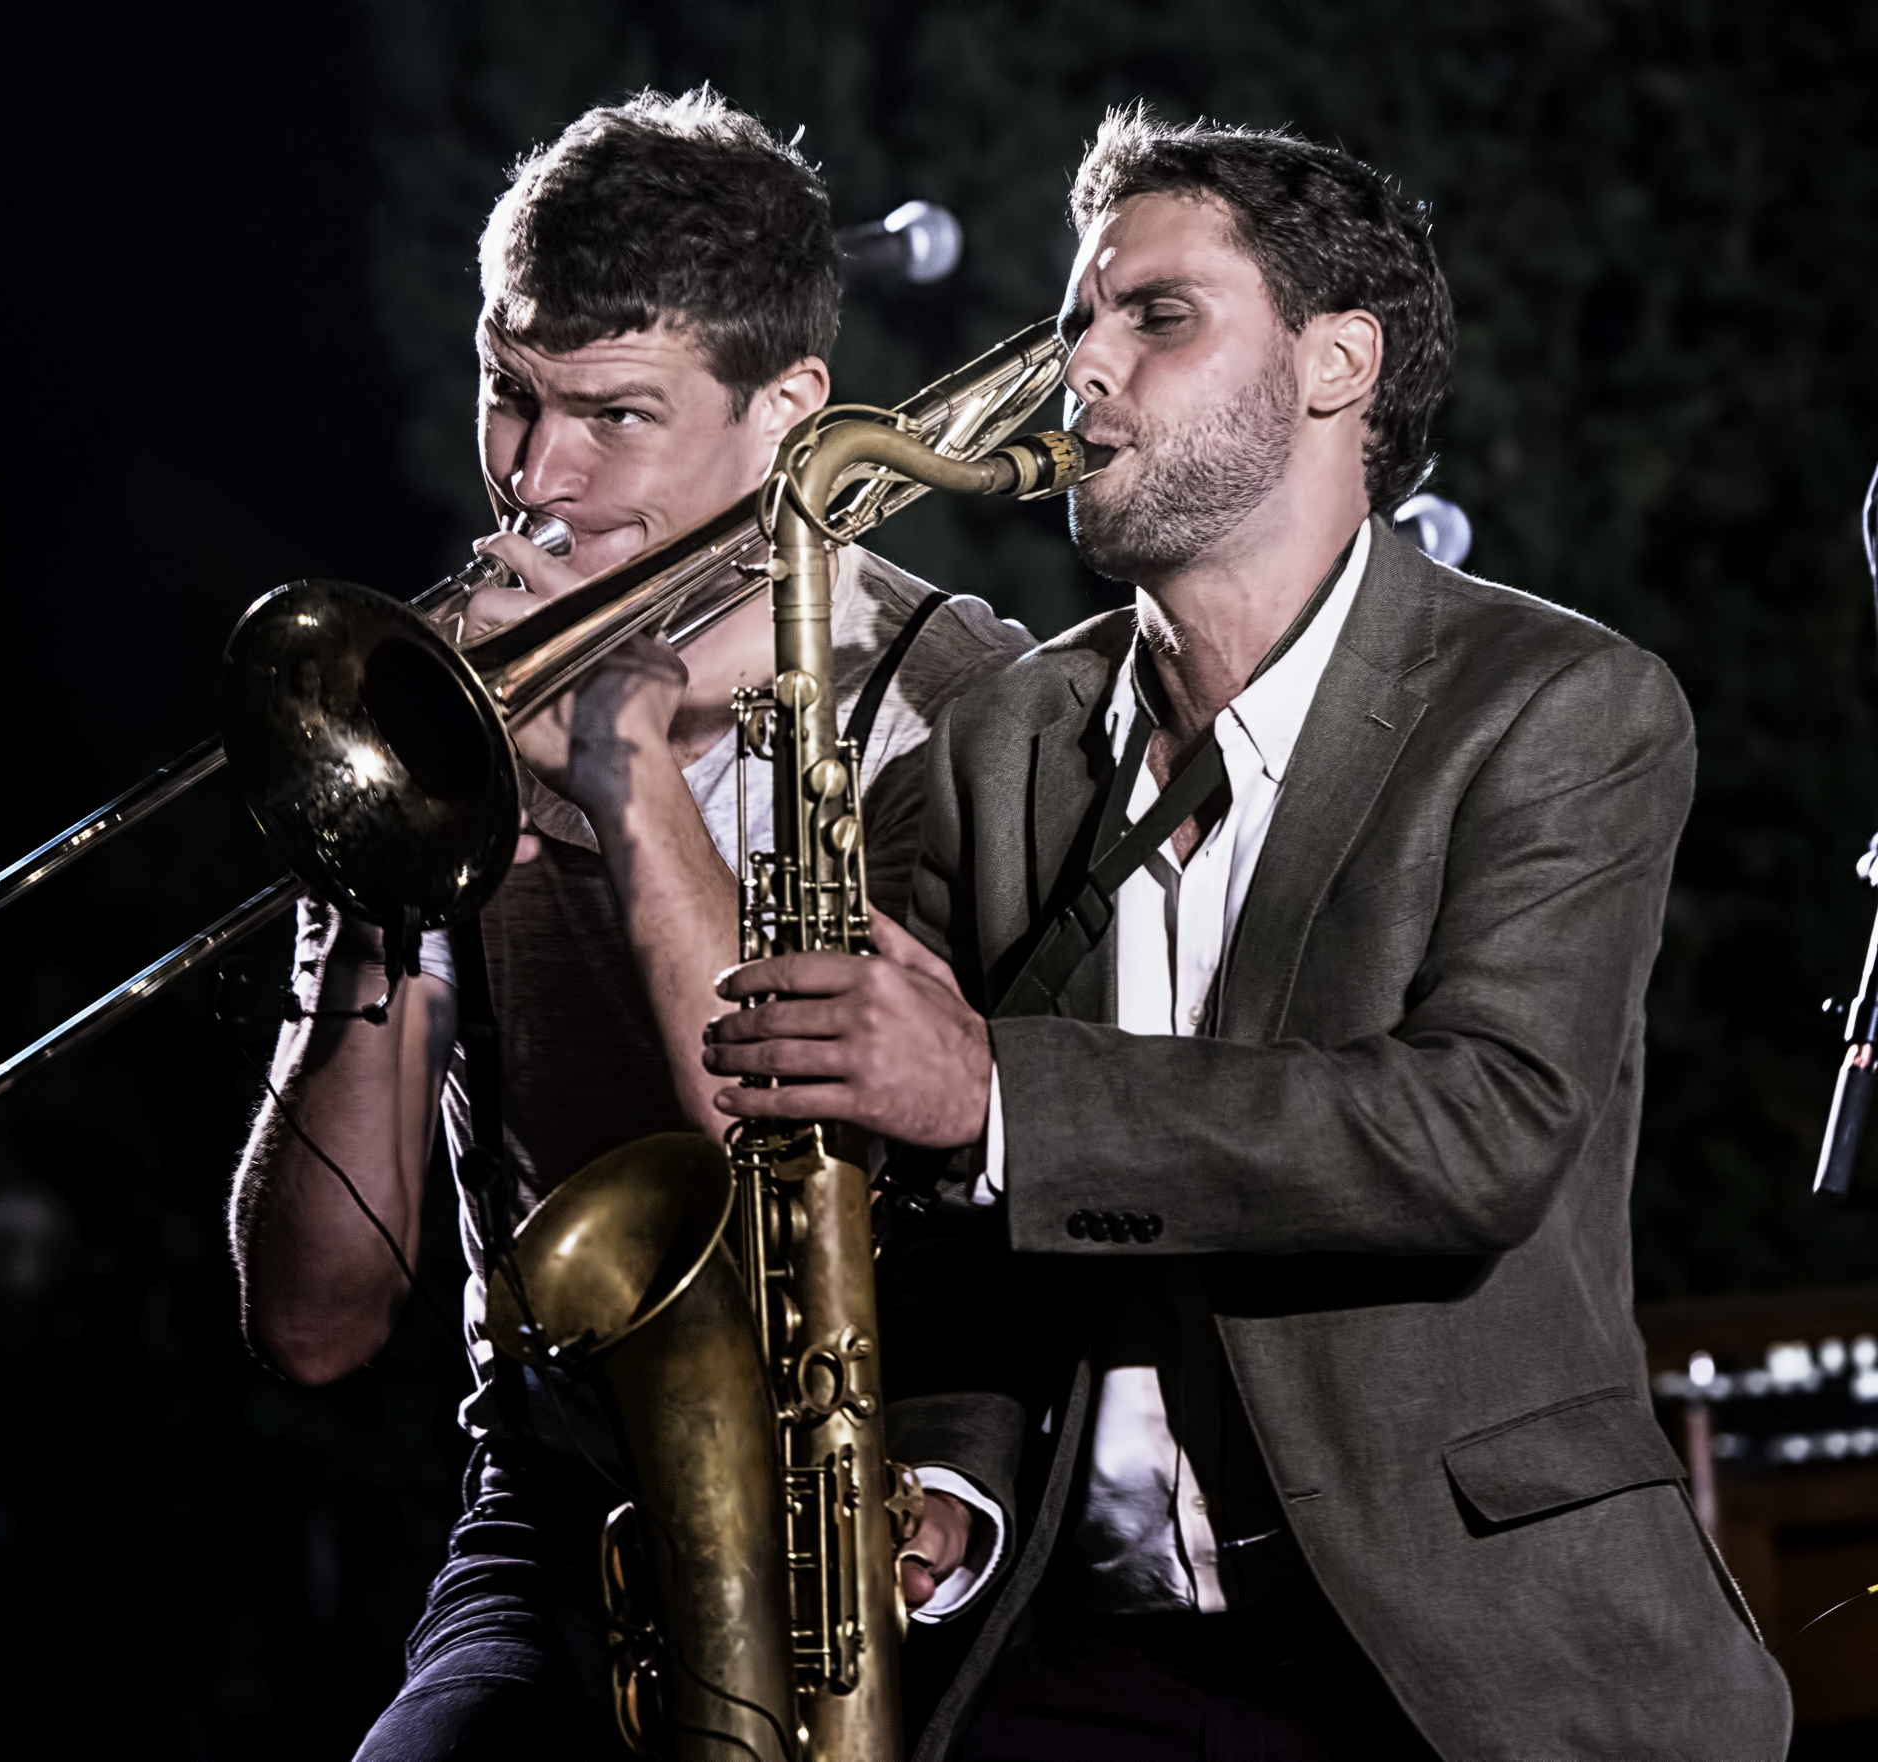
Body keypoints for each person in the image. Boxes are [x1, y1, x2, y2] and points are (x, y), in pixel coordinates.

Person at [704, 108, 1794, 1760]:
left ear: (1338, 363)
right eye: (1078, 321)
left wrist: (998, 1092)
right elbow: (936, 1221)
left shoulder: (1562, 705)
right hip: (1090, 1649)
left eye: (1158, 315)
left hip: (1450, 1646)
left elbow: (1476, 1130)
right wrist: (938, 1478)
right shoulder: (1002, 743)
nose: (1082, 368)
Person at [227, 88, 1031, 1760]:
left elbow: (803, 1183)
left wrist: (619, 777)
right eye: (506, 395)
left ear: (790, 410)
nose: (534, 473)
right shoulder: (433, 717)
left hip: (903, 1508)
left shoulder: (964, 710)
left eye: (614, 415)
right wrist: (384, 899)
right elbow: (315, 1324)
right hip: (568, 1497)